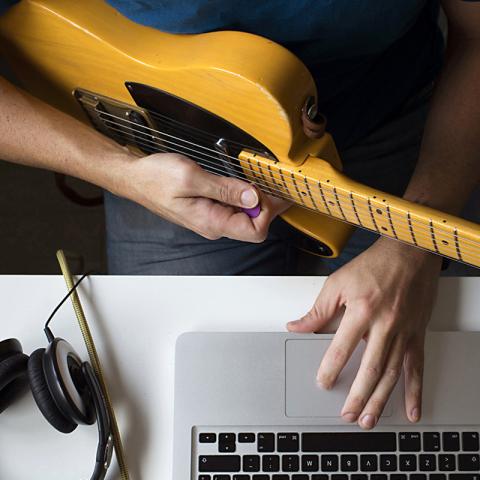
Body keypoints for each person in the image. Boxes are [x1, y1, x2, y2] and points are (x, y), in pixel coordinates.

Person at [0, 0, 479, 431]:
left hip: (392, 118)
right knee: (180, 401)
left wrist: (415, 242)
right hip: (156, 140)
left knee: (414, 406)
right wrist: (117, 171)